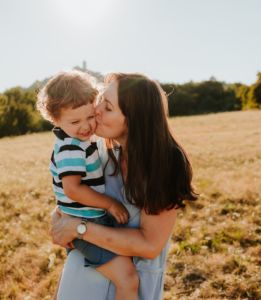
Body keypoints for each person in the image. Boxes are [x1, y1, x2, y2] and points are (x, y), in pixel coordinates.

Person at [50, 72, 198, 300]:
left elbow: (150, 244)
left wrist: (78, 228)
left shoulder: (165, 163)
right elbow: (74, 194)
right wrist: (58, 217)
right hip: (83, 274)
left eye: (107, 107)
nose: (96, 109)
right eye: (100, 99)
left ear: (135, 119)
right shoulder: (99, 150)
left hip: (130, 284)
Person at [36, 70, 140, 300]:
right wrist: (109, 204)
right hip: (85, 224)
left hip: (90, 220)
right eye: (75, 121)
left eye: (90, 116)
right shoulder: (70, 147)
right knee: (128, 279)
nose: (85, 127)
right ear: (55, 120)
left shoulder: (82, 139)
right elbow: (73, 188)